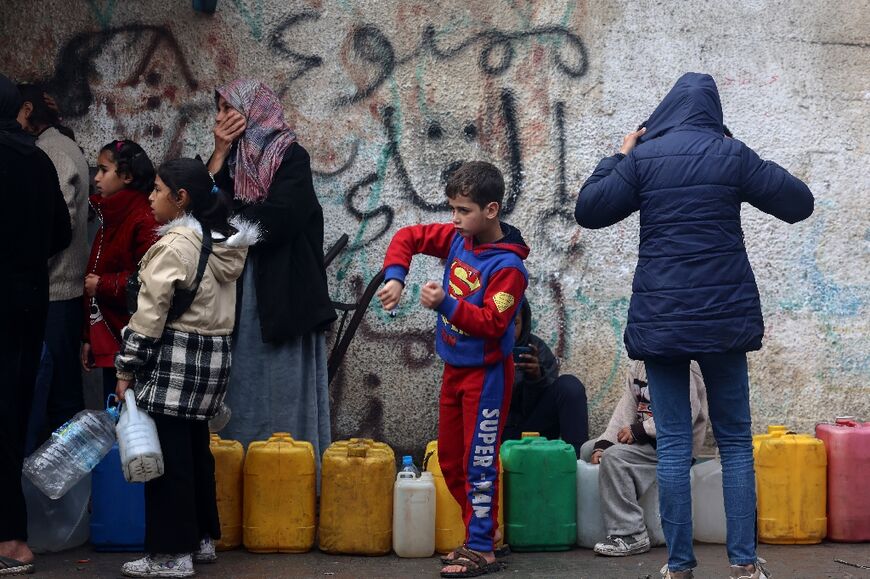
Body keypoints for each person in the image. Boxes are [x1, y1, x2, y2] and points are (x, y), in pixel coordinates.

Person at [575, 72, 814, 579]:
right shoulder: (732, 156)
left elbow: (589, 210)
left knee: (676, 444)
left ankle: (680, 566)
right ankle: (745, 565)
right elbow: (799, 203)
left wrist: (620, 153)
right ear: (713, 112)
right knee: (733, 440)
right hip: (724, 320)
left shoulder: (642, 160)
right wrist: (738, 151)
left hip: (662, 322)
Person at [378, 161, 529, 578]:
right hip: (454, 371)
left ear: (492, 210)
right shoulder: (460, 238)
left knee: (479, 461)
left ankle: (481, 547)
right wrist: (396, 277)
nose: (454, 219)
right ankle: (482, 536)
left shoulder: (509, 269)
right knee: (448, 459)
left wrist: (444, 303)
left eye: (463, 210)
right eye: (453, 209)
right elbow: (408, 237)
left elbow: (493, 324)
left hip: (487, 378)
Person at [115, 158, 257, 578]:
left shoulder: (175, 246)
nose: (151, 197)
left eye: (158, 190)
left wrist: (126, 368)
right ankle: (199, 540)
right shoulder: (223, 243)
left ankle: (170, 554)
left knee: (168, 461)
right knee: (195, 450)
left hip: (175, 360)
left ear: (181, 200)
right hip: (212, 361)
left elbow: (149, 315)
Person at [207, 79, 336, 460]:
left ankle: (288, 472)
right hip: (238, 292)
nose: (219, 119)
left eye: (227, 109)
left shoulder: (291, 156)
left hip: (282, 292)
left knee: (282, 387)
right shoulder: (229, 160)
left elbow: (283, 216)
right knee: (239, 384)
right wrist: (217, 155)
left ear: (253, 110)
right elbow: (201, 208)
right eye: (217, 110)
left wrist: (228, 219)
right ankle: (240, 473)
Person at [0, 73, 71, 576]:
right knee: (12, 420)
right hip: (27, 306)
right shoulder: (38, 159)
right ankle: (12, 539)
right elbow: (61, 232)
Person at [16, 83, 90, 445]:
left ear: (27, 111)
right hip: (56, 291)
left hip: (57, 292)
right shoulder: (55, 146)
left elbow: (59, 221)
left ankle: (68, 488)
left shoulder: (54, 153)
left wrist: (23, 267)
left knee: (59, 396)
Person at [579, 361, 707, 557]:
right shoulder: (640, 365)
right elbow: (624, 412)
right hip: (646, 442)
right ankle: (608, 525)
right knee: (589, 449)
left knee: (614, 458)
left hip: (673, 448)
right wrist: (604, 443)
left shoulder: (684, 365)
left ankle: (631, 533)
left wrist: (642, 430)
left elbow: (683, 414)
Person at [82, 139, 159, 400]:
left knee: (132, 426)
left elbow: (149, 282)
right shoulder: (111, 212)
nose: (97, 178)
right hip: (109, 334)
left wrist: (102, 285)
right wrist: (89, 336)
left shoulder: (142, 218)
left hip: (132, 341)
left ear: (126, 176)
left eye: (104, 170)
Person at [502, 300, 588, 455]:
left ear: (524, 322)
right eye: (502, 322)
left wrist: (536, 378)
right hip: (492, 433)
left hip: (533, 431)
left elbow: (552, 401)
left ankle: (576, 461)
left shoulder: (535, 348)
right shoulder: (479, 349)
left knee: (570, 386)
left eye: (514, 323)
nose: (509, 330)